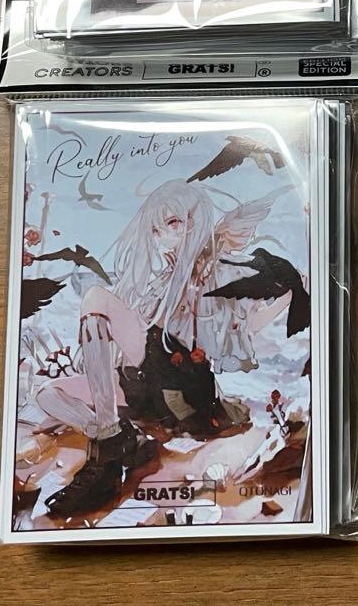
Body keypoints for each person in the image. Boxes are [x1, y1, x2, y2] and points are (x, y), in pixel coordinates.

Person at [35, 180, 292, 516]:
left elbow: (248, 322)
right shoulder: (160, 283)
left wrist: (291, 294)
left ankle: (109, 443)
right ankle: (119, 438)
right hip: (145, 385)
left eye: (172, 223)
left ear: (195, 223)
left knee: (97, 297)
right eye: (156, 230)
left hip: (181, 379)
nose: (162, 236)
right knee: (48, 394)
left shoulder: (214, 272)